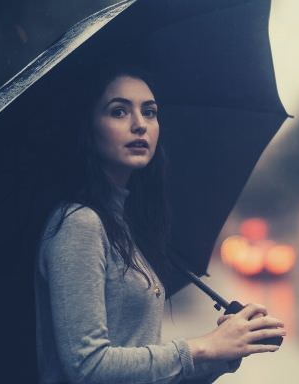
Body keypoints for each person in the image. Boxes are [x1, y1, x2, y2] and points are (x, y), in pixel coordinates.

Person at [34, 63, 286, 384]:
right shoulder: (79, 224)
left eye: (149, 112)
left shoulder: (124, 225)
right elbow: (88, 367)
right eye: (119, 112)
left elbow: (146, 373)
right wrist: (204, 347)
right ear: (87, 127)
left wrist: (224, 352)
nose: (140, 125)